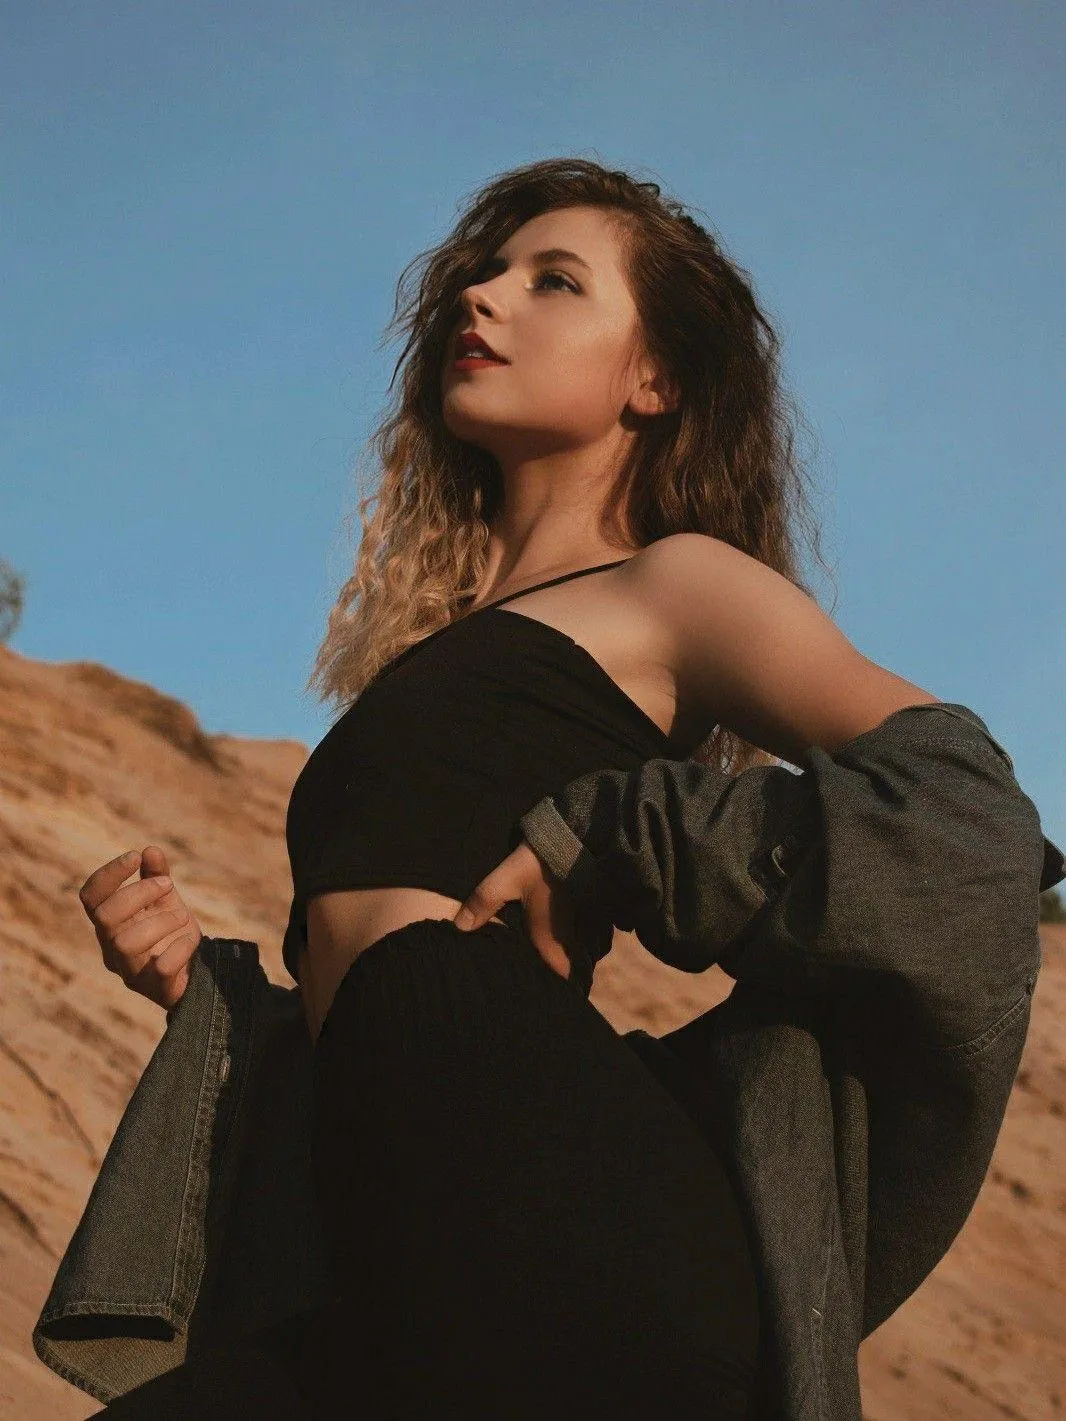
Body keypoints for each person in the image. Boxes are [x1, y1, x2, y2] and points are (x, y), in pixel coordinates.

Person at [79, 156, 956, 1417]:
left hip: (560, 1212)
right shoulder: (442, 657)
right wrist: (210, 994)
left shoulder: (678, 584)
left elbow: (957, 794)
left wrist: (623, 827)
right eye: (481, 275)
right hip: (397, 1231)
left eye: (553, 280)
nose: (481, 298)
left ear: (652, 378)